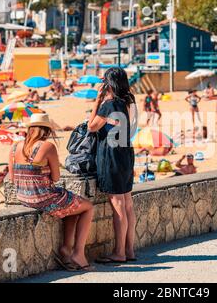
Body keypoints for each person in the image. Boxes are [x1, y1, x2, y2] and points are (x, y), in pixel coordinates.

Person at [9, 113, 95, 271]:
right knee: (88, 206)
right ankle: (78, 254)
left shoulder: (15, 147)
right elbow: (55, 177)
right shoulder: (47, 146)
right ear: (47, 131)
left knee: (73, 208)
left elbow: (13, 178)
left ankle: (66, 249)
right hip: (43, 198)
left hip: (23, 197)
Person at [88, 67, 137, 264]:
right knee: (128, 204)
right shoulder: (128, 101)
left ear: (109, 84)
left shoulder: (109, 104)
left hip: (112, 155)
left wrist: (97, 101)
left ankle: (119, 252)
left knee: (117, 204)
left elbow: (92, 126)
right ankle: (129, 250)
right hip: (126, 153)